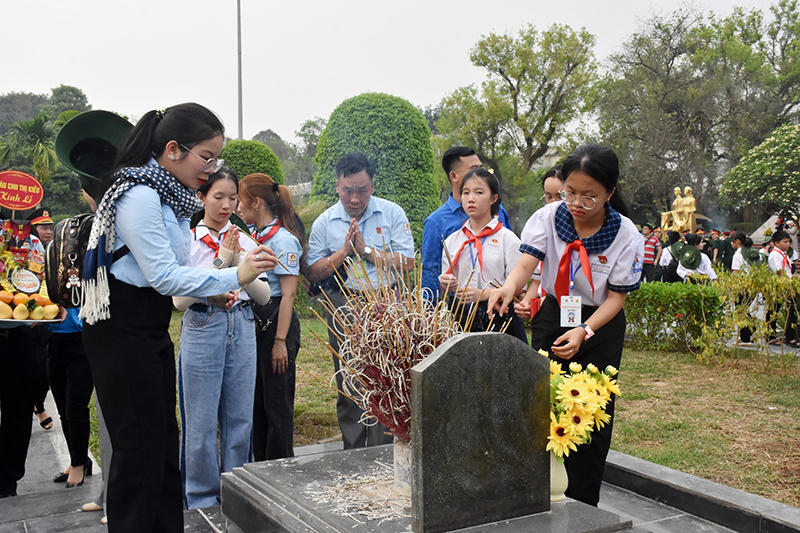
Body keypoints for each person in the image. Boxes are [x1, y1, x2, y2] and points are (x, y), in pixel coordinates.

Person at [80, 103, 277, 532]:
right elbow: (166, 275)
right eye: (206, 157)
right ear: (172, 149)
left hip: (145, 327)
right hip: (121, 330)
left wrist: (231, 269)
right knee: (138, 449)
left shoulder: (165, 194)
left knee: (162, 442)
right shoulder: (139, 194)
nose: (210, 169)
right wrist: (236, 272)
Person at [487, 144, 644, 507]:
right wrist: (510, 288)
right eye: (570, 192)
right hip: (555, 314)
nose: (577, 203)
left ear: (610, 192)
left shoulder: (626, 236)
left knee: (591, 411)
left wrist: (585, 331)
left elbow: (616, 298)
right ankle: (537, 490)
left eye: (590, 196)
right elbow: (527, 264)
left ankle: (583, 500)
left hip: (598, 324)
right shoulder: (547, 218)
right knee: (542, 400)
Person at [173, 168, 271, 509]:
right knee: (199, 420)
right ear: (201, 198)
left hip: (241, 324)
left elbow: (262, 297)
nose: (227, 205)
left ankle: (237, 490)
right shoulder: (186, 240)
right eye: (218, 197)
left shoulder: (245, 239)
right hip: (203, 325)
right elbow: (180, 300)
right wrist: (224, 262)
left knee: (240, 416)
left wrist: (244, 262)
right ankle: (200, 498)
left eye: (233, 198)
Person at [306, 152, 415, 450]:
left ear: (373, 186)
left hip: (386, 301)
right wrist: (342, 253)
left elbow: (407, 262)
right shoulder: (325, 222)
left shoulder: (392, 213)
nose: (354, 199)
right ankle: (353, 450)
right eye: (347, 190)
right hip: (344, 302)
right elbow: (312, 272)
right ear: (337, 186)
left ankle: (384, 449)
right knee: (350, 378)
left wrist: (367, 252)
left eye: (361, 190)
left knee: (386, 375)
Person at [237, 172, 304, 461]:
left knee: (277, 403)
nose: (237, 209)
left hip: (278, 322)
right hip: (257, 319)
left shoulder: (284, 241)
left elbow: (288, 295)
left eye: (239, 202)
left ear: (255, 202)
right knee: (256, 401)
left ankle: (280, 468)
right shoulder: (254, 237)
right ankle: (261, 464)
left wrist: (279, 341)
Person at [438, 167, 526, 343]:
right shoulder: (453, 241)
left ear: (493, 198)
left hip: (499, 316)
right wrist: (446, 283)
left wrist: (484, 294)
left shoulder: (507, 240)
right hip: (460, 317)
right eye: (466, 193)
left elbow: (519, 288)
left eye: (479, 192)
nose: (471, 199)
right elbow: (447, 285)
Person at [421, 147, 511, 303]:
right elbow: (431, 274)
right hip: (460, 308)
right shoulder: (436, 222)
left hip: (499, 304)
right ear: (454, 176)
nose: (480, 173)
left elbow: (512, 262)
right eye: (474, 169)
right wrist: (430, 315)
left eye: (481, 168)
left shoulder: (498, 211)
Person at [0, 215, 45, 498]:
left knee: (18, 409)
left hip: (21, 332)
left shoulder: (34, 242)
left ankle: (7, 480)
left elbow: (41, 281)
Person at [514, 165, 564, 328]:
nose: (554, 203)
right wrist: (527, 302)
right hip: (545, 315)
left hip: (571, 313)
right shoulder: (539, 227)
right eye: (549, 197)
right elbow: (536, 279)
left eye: (560, 196)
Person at [29, 208, 55, 432]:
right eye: (43, 227)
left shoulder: (55, 248)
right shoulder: (25, 247)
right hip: (20, 312)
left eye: (49, 227)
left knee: (42, 367)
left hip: (45, 315)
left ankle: (38, 404)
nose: (48, 231)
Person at [766, 230, 797, 347]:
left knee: (791, 311)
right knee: (773, 310)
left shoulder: (783, 254)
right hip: (779, 286)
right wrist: (789, 288)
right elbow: (780, 273)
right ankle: (771, 336)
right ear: (776, 243)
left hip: (786, 284)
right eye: (785, 242)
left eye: (789, 241)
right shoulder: (775, 255)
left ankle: (790, 336)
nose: (788, 244)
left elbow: (788, 270)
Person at [730, 231, 761, 345]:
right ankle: (751, 330)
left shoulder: (738, 255)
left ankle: (746, 337)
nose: (731, 243)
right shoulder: (752, 252)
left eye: (732, 241)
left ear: (738, 241)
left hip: (743, 284)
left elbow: (736, 272)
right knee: (745, 308)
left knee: (741, 309)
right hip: (753, 284)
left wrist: (733, 286)